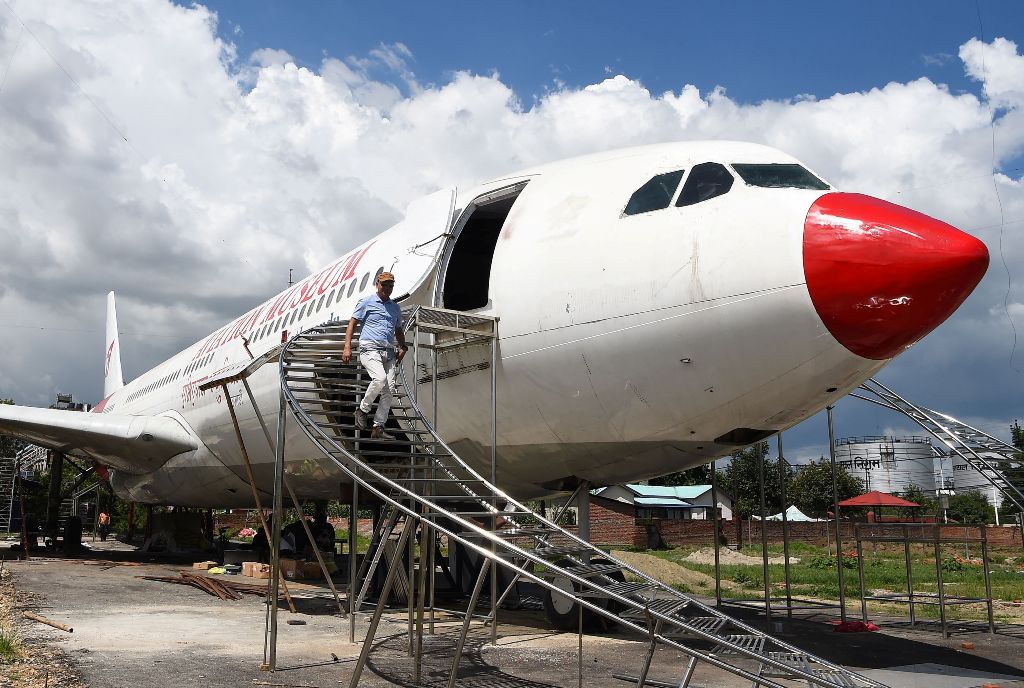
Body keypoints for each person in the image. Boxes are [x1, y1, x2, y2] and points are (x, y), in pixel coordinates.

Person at [342, 271, 408, 439]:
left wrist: (403, 346)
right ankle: (362, 410)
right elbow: (352, 324)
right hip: (369, 348)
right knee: (379, 379)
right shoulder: (366, 302)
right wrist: (347, 346)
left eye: (390, 285)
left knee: (389, 389)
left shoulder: (395, 308)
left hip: (389, 352)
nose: (387, 288)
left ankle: (378, 426)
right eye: (384, 284)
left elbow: (398, 329)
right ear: (377, 284)